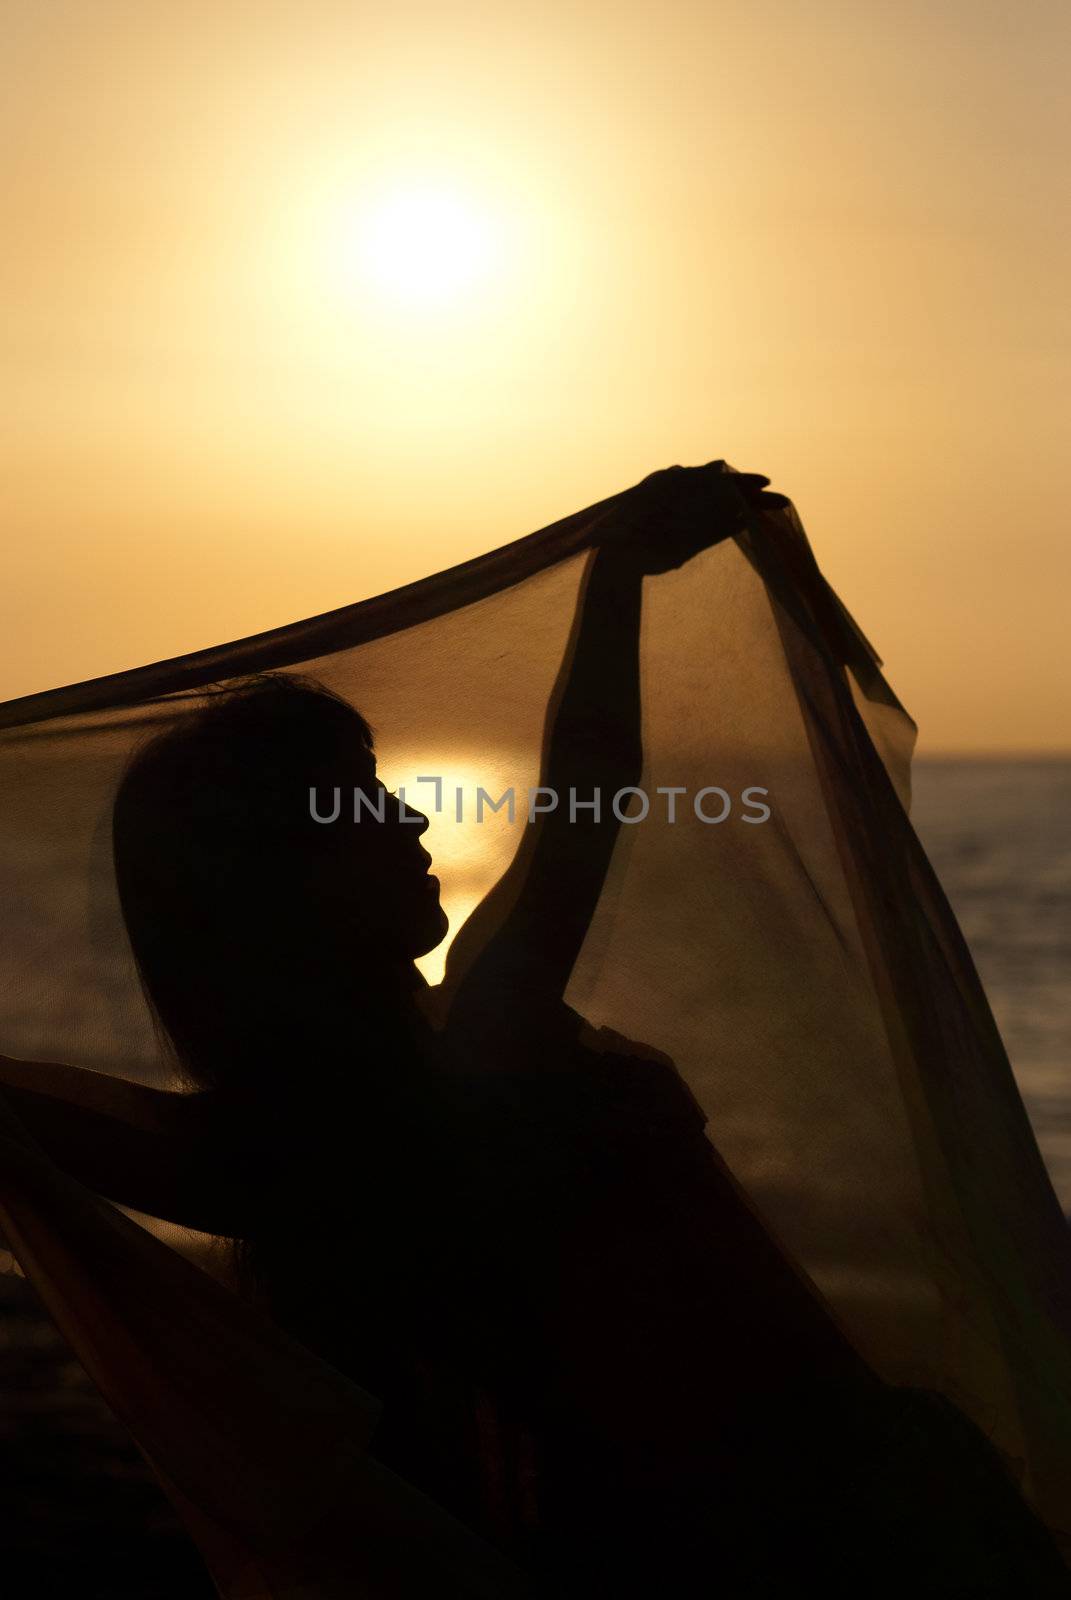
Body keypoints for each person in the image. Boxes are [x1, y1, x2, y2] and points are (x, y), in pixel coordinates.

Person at [2, 464, 1068, 1596]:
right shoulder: (478, 1047)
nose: (411, 813)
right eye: (357, 800)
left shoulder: (260, 1151)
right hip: (828, 1542)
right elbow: (587, 796)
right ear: (278, 884)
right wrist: (616, 577)